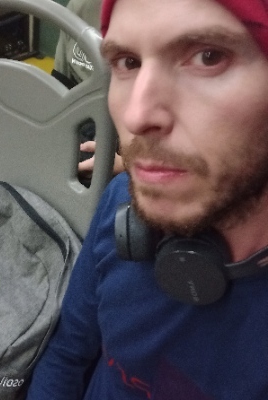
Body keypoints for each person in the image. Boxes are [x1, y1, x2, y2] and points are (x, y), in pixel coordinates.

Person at [26, 0, 268, 398]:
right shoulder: (121, 204)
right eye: (128, 62)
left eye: (208, 57)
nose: (136, 116)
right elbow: (67, 353)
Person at [52, 0, 124, 181]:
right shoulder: (81, 7)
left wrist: (125, 166)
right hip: (82, 116)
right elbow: (59, 88)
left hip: (128, 146)